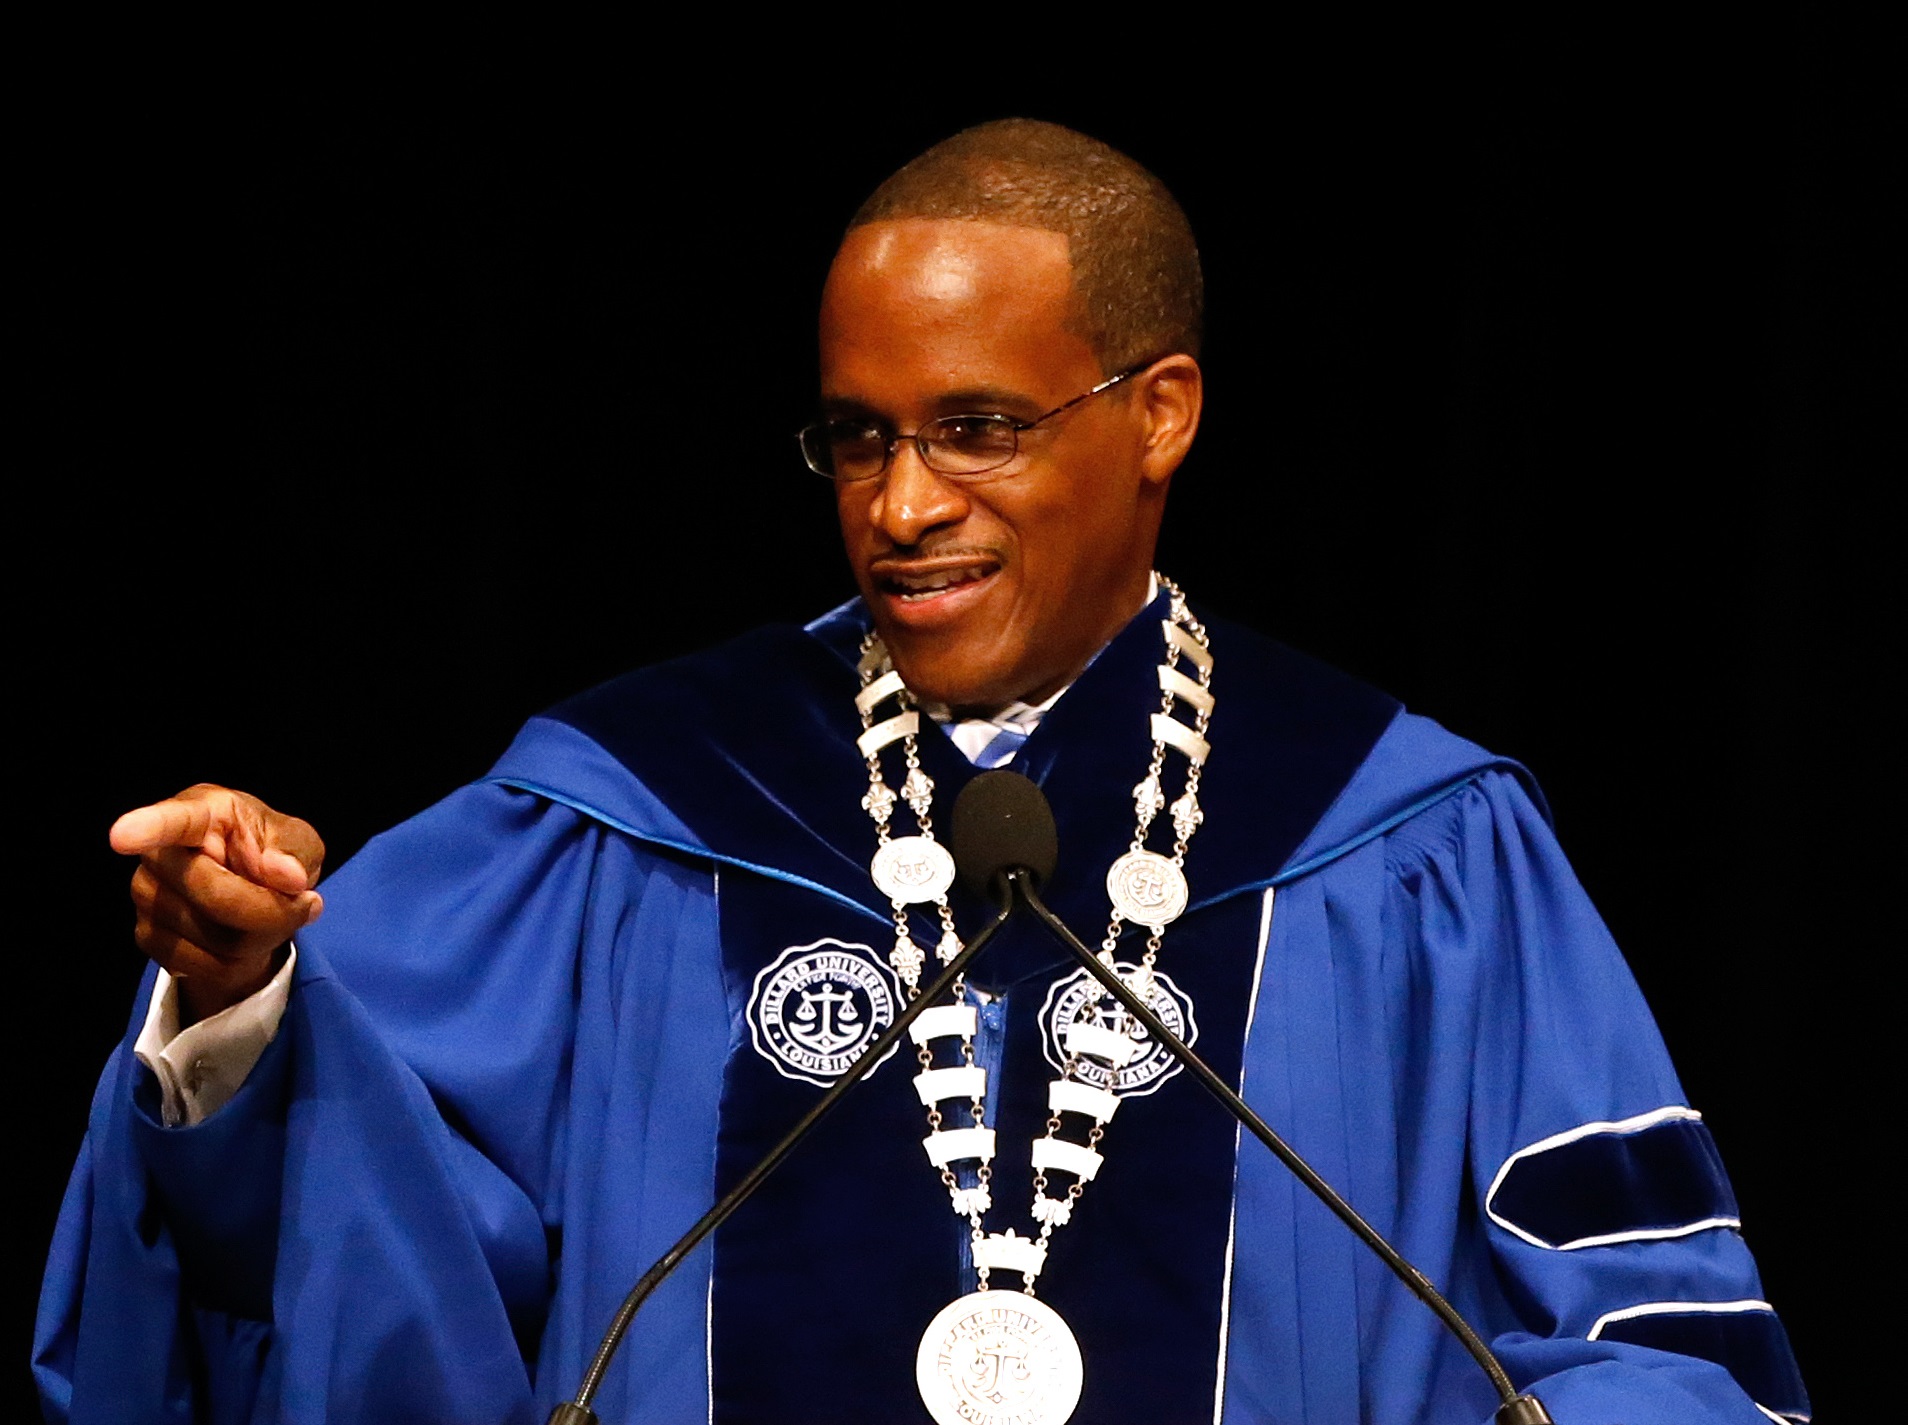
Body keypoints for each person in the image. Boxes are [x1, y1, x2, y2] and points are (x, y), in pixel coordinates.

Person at [37, 120, 1807, 1424]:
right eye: (858, 437)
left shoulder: (1405, 840)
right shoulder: (631, 810)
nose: (899, 506)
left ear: (1161, 413)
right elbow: (361, 1248)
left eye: (978, 430)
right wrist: (243, 994)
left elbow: (1649, 1324)